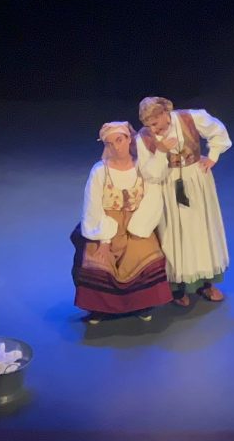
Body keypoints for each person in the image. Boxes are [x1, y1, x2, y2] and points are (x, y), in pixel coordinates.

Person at [71, 121, 173, 324]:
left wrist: (140, 227)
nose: (116, 147)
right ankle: (101, 307)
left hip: (137, 222)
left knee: (142, 255)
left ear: (128, 139)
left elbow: (152, 197)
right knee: (99, 260)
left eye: (119, 140)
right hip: (107, 223)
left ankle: (141, 304)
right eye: (110, 143)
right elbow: (92, 206)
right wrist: (104, 239)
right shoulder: (100, 171)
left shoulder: (142, 167)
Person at [136, 97, 230, 306]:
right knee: (174, 235)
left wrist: (213, 156)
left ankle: (206, 282)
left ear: (164, 114)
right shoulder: (144, 137)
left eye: (155, 123)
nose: (153, 129)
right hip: (168, 186)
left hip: (196, 180)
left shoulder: (190, 118)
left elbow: (217, 130)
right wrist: (161, 152)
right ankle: (177, 288)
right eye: (148, 125)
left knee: (201, 230)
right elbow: (150, 174)